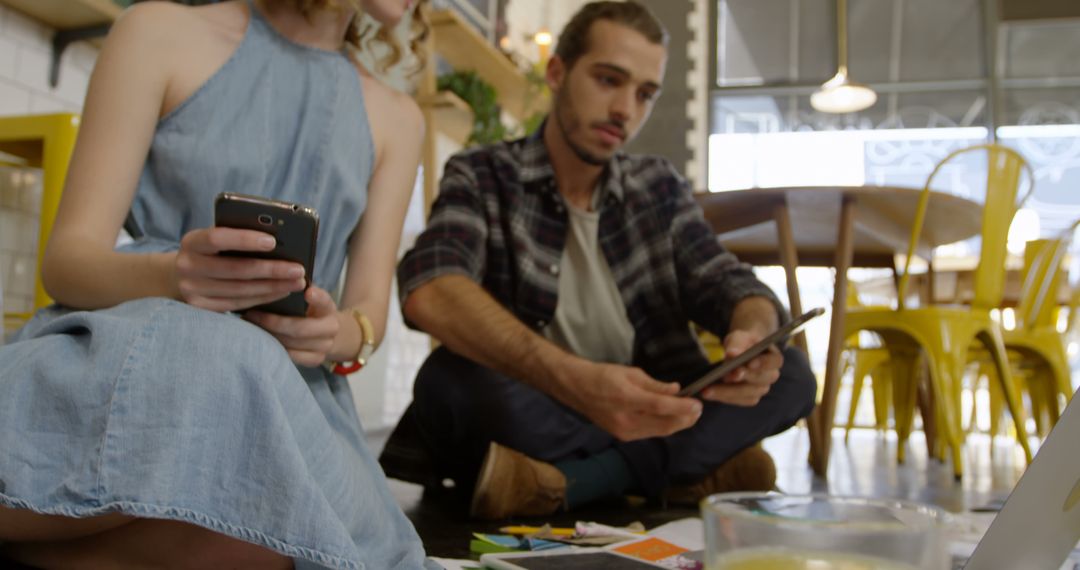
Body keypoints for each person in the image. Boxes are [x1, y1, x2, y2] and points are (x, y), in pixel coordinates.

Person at [0, 0, 438, 568]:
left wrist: (332, 335)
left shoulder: (399, 119)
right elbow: (67, 263)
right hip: (136, 344)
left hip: (287, 388)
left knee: (266, 532)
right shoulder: (158, 32)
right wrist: (174, 276)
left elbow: (367, 315)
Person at [381, 0, 817, 520]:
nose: (625, 110)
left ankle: (570, 482)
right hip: (542, 406)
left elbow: (724, 280)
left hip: (649, 406)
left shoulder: (656, 186)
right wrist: (575, 382)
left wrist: (752, 331)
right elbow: (432, 286)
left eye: (644, 94)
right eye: (609, 80)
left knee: (790, 373)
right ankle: (685, 470)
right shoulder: (482, 174)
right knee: (446, 383)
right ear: (557, 72)